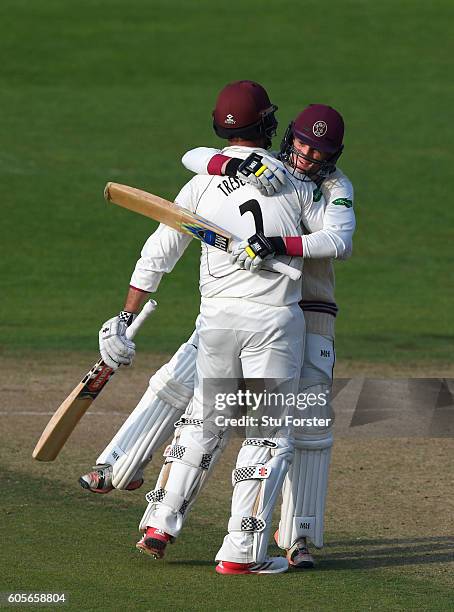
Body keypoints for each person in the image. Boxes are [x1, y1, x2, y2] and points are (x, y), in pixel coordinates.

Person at [80, 85, 355, 571]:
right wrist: (234, 170)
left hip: (252, 318)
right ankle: (228, 546)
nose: (309, 155)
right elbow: (203, 157)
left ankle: (281, 535)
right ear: (274, 129)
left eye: (321, 150)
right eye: (303, 144)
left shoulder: (305, 186)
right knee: (261, 431)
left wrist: (274, 242)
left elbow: (337, 239)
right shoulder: (284, 181)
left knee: (227, 421)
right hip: (274, 321)